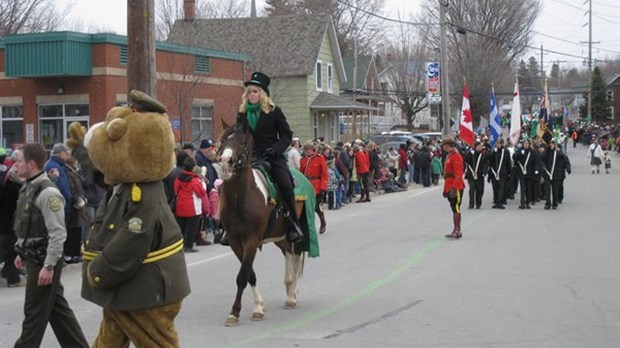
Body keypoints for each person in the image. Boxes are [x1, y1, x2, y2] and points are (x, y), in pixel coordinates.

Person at [12, 143, 89, 347]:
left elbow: (57, 233)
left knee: (34, 315)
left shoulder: (48, 193)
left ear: (31, 164)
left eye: (19, 160)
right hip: (34, 256)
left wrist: (48, 266)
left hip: (43, 260)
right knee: (59, 313)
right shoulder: (29, 186)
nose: (15, 164)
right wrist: (21, 250)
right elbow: (28, 225)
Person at [236, 71, 303, 243]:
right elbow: (239, 136)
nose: (252, 95)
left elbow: (287, 135)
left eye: (255, 91)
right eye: (250, 92)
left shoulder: (274, 112)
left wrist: (276, 149)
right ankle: (226, 225)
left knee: (285, 183)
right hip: (249, 158)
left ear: (263, 94)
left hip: (272, 156)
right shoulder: (242, 113)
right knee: (229, 182)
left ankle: (292, 223)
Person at [0, 149, 24, 287]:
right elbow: (11, 201)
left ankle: (7, 273)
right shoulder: (9, 175)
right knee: (10, 247)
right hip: (7, 217)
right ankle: (13, 278)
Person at [174, 156, 207, 252]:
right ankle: (188, 246)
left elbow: (175, 190)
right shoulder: (194, 180)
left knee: (181, 227)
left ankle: (180, 246)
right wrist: (203, 182)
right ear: (193, 168)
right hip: (192, 207)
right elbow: (201, 193)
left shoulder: (178, 178)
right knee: (191, 228)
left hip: (180, 206)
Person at [300, 141, 328, 233]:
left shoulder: (320, 158)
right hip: (307, 184)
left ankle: (322, 221)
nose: (307, 151)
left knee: (317, 205)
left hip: (317, 185)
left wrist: (323, 186)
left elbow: (324, 174)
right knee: (307, 206)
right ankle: (309, 226)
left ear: (313, 149)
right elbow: (301, 174)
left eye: (309, 150)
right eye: (306, 150)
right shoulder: (303, 160)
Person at [441, 135, 465, 239]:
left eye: (444, 145)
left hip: (456, 186)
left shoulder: (456, 156)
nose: (442, 147)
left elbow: (458, 174)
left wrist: (454, 188)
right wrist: (446, 189)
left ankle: (457, 230)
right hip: (449, 185)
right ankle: (455, 229)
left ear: (447, 145)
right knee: (453, 208)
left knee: (456, 208)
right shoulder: (449, 155)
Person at [44, 143, 73, 216]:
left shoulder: (54, 164)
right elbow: (61, 185)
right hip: (60, 204)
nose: (67, 155)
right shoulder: (54, 166)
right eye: (66, 153)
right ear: (61, 153)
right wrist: (69, 197)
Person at [512, 139, 538, 209]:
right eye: (525, 143)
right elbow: (514, 158)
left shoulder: (532, 152)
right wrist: (519, 152)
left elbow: (535, 162)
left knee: (528, 188)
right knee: (522, 188)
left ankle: (528, 203)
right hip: (521, 172)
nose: (526, 144)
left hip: (529, 173)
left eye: (527, 143)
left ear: (529, 144)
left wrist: (536, 170)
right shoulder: (520, 150)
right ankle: (522, 203)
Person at [488, 138, 512, 209]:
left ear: (501, 144)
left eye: (499, 143)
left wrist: (509, 172)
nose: (498, 145)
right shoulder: (493, 151)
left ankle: (500, 202)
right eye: (497, 143)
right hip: (494, 173)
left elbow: (508, 162)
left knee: (501, 188)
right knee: (495, 187)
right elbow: (489, 161)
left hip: (502, 173)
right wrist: (492, 152)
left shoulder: (505, 151)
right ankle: (495, 201)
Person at [464, 141, 487, 209]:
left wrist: (484, 173)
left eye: (481, 146)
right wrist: (470, 153)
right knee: (472, 188)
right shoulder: (471, 154)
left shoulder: (483, 154)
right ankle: (471, 204)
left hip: (479, 175)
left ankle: (478, 203)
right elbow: (466, 160)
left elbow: (485, 163)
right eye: (479, 146)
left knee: (480, 190)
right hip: (471, 175)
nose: (480, 147)